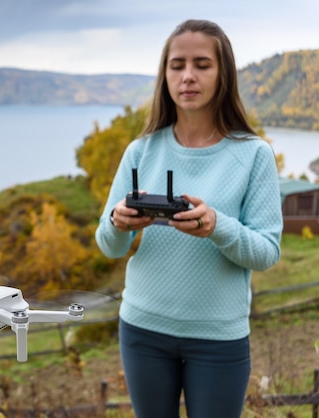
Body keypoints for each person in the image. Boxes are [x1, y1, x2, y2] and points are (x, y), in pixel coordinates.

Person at [95, 19, 282, 418]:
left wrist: (218, 226)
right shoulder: (141, 151)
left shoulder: (253, 154)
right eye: (177, 65)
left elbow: (267, 252)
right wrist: (118, 222)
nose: (188, 76)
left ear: (224, 73)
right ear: (165, 75)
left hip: (219, 338)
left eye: (202, 64)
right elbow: (108, 246)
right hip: (142, 330)